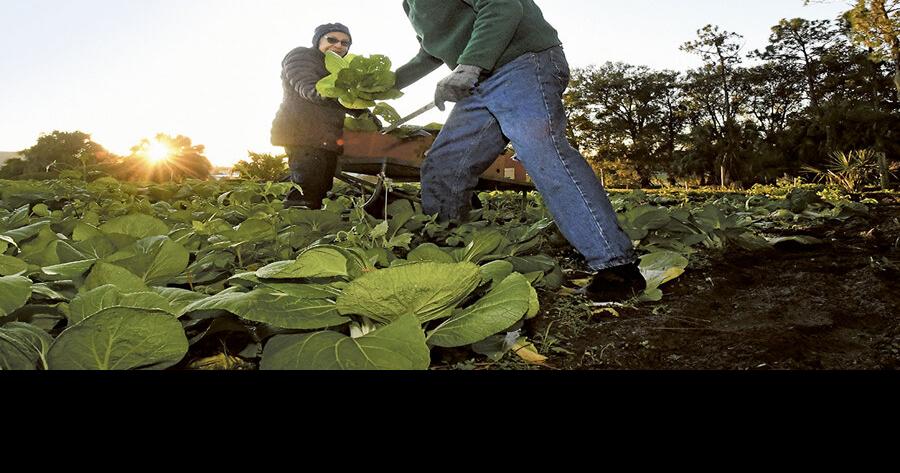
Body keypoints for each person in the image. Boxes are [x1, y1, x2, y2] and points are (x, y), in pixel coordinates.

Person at [393, 0, 646, 301]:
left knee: (542, 153)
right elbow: (431, 52)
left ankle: (618, 268)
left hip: (523, 63)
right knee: (444, 165)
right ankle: (452, 257)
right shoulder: (410, 5)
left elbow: (502, 7)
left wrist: (469, 65)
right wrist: (374, 87)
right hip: (480, 82)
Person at [271, 23, 356, 210]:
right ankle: (295, 227)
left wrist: (361, 110)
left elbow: (345, 100)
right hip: (302, 133)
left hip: (327, 137)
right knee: (306, 185)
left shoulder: (340, 69)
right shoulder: (302, 55)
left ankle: (313, 226)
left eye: (345, 42)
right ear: (318, 40)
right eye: (331, 40)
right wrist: (321, 93)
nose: (338, 45)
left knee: (322, 186)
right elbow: (305, 83)